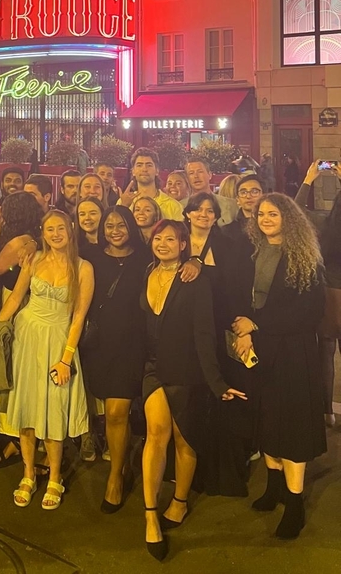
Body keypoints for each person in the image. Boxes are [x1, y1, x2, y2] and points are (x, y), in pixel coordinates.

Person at [141, 220, 246, 559]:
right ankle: (150, 515)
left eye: (170, 239)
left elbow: (204, 333)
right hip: (153, 368)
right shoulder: (147, 272)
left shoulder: (194, 279)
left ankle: (180, 501)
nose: (162, 244)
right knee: (156, 434)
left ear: (183, 244)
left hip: (187, 370)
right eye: (157, 238)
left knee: (184, 440)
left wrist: (216, 382)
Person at [232, 193, 326, 540]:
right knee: (267, 419)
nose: (266, 219)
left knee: (293, 428)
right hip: (261, 351)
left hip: (293, 352)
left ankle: (294, 503)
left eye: (273, 213)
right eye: (261, 214)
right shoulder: (252, 252)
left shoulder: (306, 259)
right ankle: (273, 487)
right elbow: (242, 300)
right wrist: (244, 328)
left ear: (289, 217)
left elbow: (309, 313)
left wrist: (256, 325)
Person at [0, 210, 94, 510]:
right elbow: (16, 297)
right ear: (43, 232)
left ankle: (54, 477)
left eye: (60, 228)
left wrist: (66, 359)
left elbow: (79, 316)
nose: (55, 234)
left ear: (70, 229)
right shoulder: (34, 259)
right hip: (27, 338)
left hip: (58, 341)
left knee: (53, 411)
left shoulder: (83, 268)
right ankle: (27, 473)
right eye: (50, 229)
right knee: (26, 407)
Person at [183, 192, 255, 496]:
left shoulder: (228, 246)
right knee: (192, 402)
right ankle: (189, 472)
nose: (203, 214)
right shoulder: (176, 242)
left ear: (216, 216)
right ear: (187, 213)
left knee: (224, 401)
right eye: (198, 209)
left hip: (221, 333)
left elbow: (240, 291)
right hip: (185, 335)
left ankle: (223, 473)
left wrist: (244, 330)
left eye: (209, 210)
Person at [78, 203, 150, 508]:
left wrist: (196, 262)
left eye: (121, 225)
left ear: (131, 227)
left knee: (118, 412)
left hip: (134, 344)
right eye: (110, 225)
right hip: (100, 345)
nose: (115, 231)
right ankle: (123, 465)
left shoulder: (146, 257)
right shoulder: (90, 257)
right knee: (110, 411)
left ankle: (116, 476)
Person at [295, 160, 341, 426]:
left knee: (325, 354)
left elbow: (296, 210)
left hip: (328, 296)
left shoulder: (322, 224)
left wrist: (308, 180)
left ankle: (327, 411)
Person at [118, 149, 184, 221]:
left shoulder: (174, 206)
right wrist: (124, 206)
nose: (144, 169)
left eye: (149, 165)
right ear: (133, 171)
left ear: (157, 171)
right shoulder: (123, 202)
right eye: (139, 165)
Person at [185, 157, 237, 226]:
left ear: (209, 175)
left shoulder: (230, 205)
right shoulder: (180, 207)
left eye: (200, 172)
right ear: (187, 178)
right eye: (191, 173)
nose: (196, 176)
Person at [221, 173, 263, 258]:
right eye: (243, 192)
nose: (248, 196)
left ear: (264, 195)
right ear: (237, 200)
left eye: (254, 192)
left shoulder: (271, 226)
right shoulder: (227, 232)